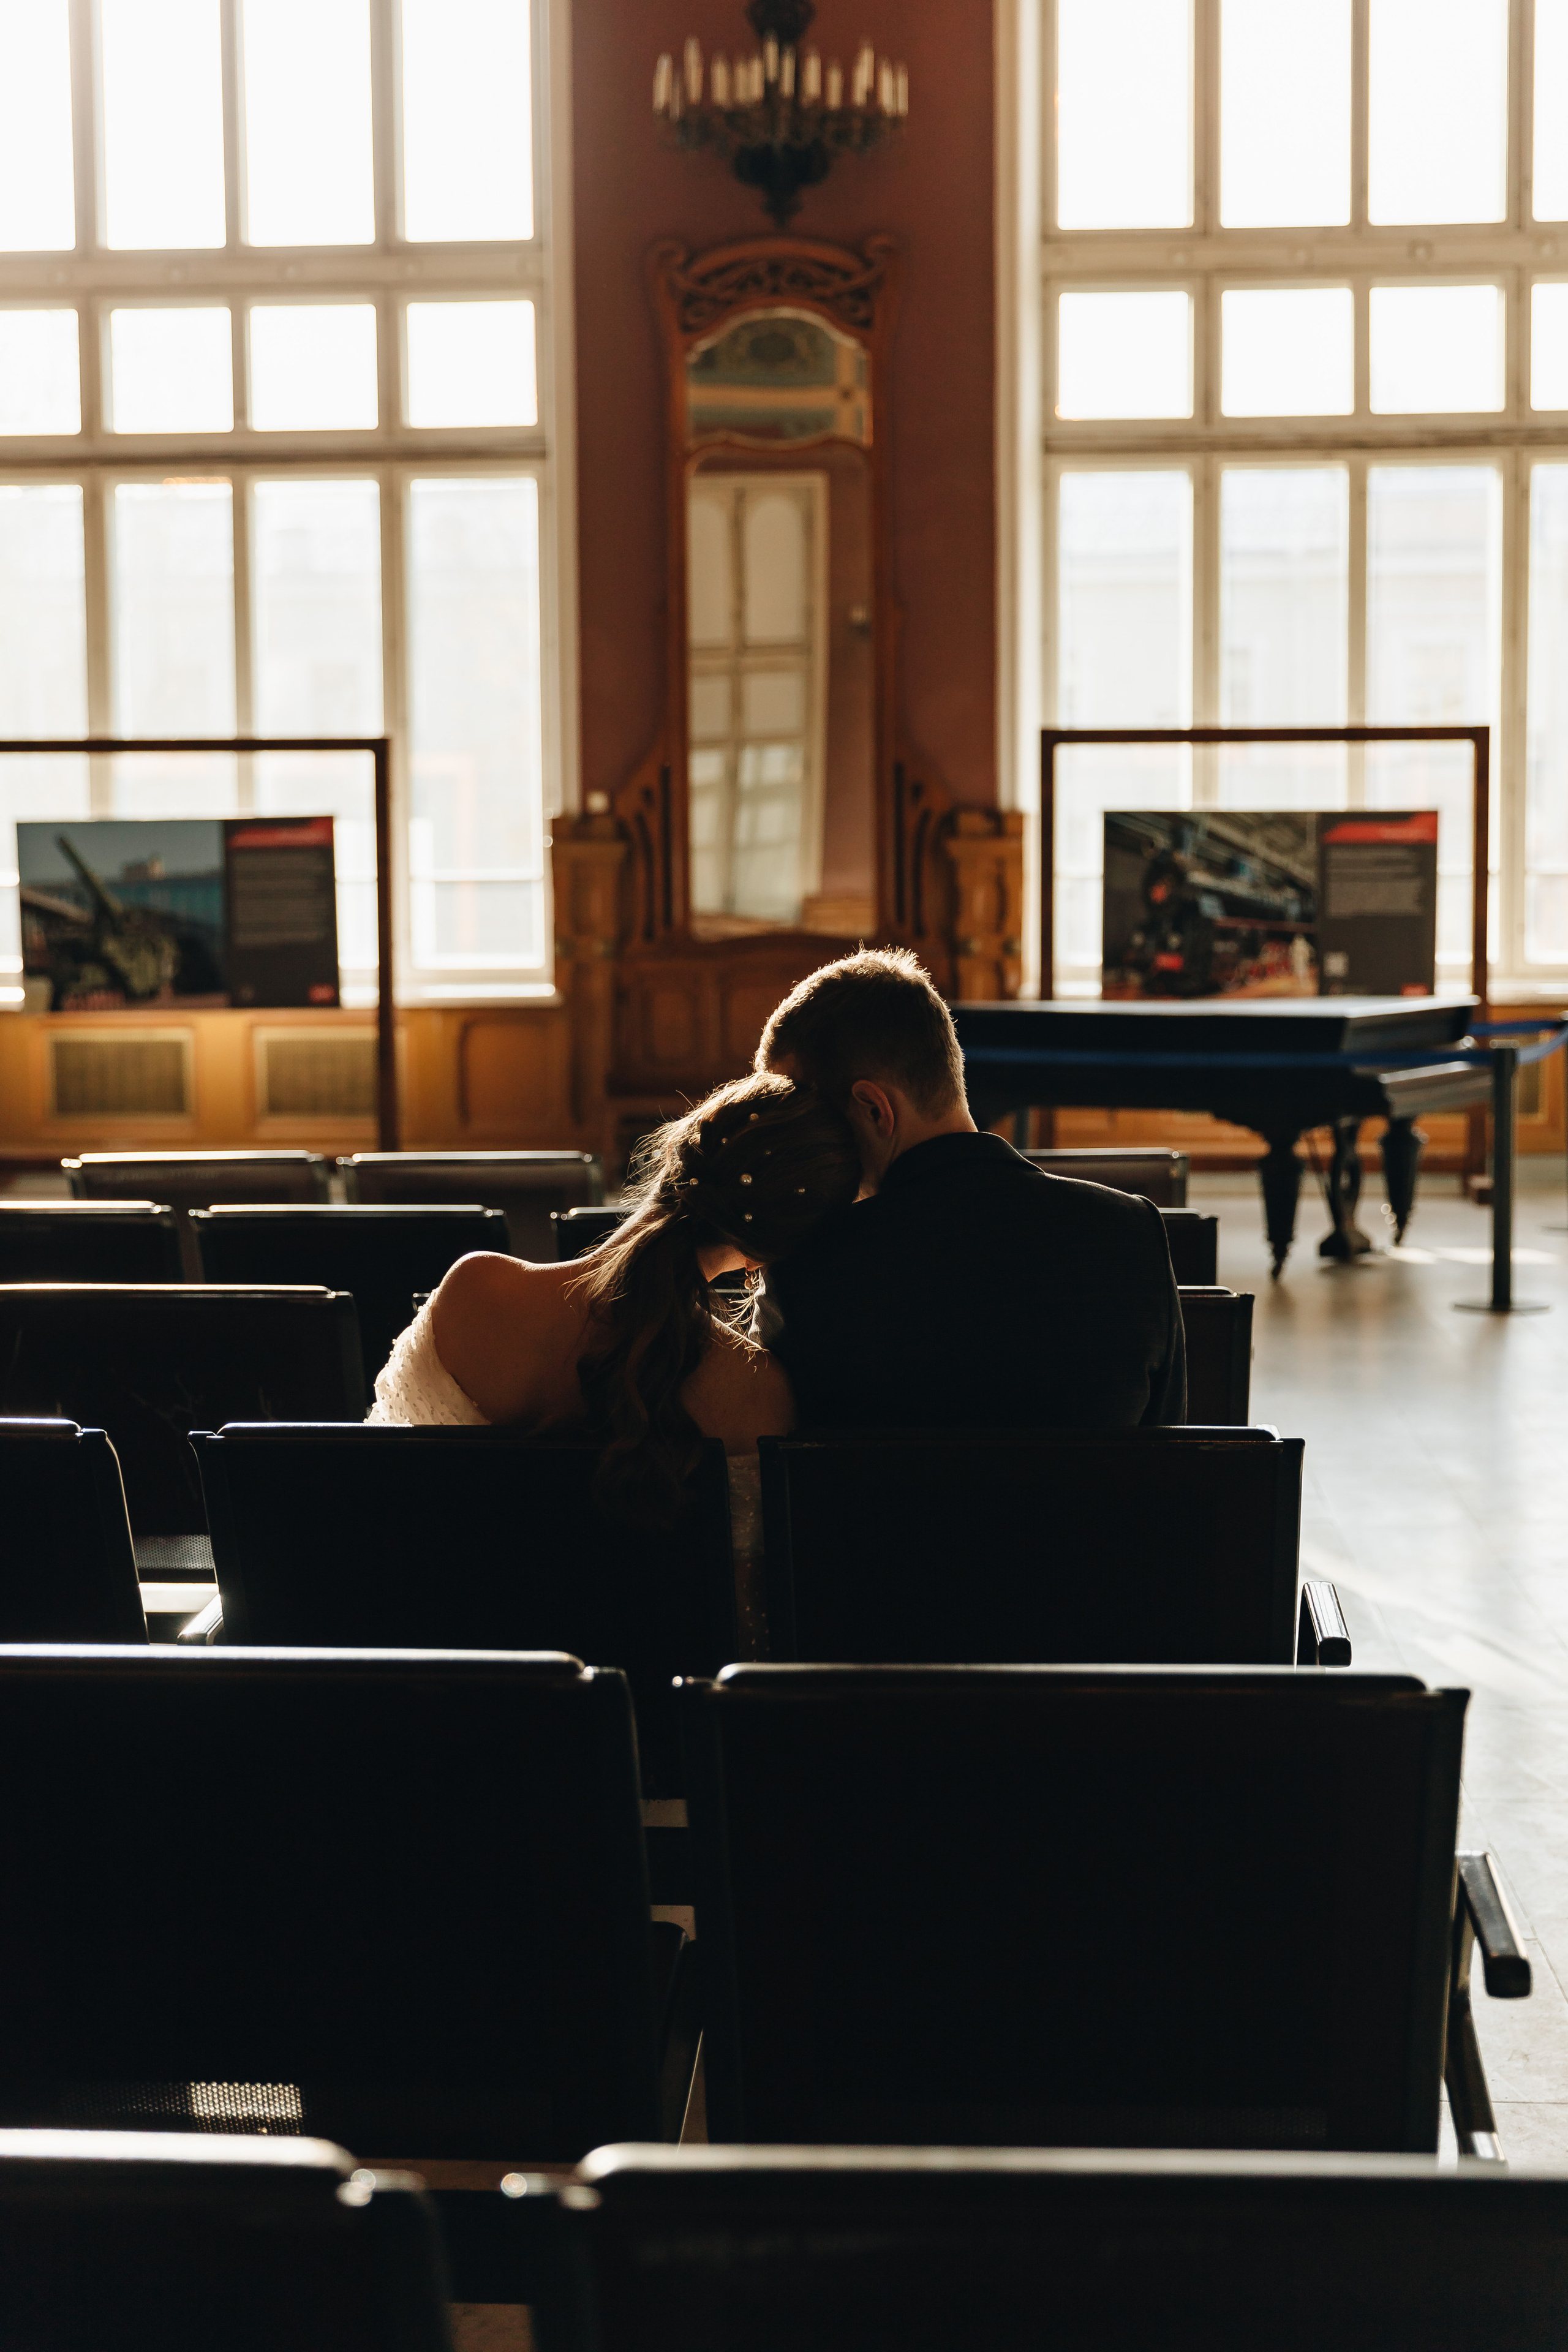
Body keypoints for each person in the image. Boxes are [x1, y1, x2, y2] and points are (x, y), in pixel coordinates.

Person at [369, 1071, 860, 1529]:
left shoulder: (476, 1292)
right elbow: (745, 1587)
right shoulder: (754, 1393)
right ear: (765, 1255)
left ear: (674, 1157)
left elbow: (385, 1491)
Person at [750, 946, 1186, 1427]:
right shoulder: (1129, 1233)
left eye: (805, 1119)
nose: (797, 1143)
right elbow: (1166, 1464)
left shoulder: (810, 1268)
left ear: (875, 1110)